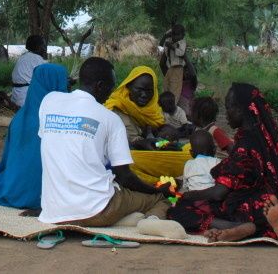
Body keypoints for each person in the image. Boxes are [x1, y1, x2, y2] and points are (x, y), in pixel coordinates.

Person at [36, 57, 187, 239]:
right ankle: (151, 221)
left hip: (53, 211)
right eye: (111, 86)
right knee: (160, 197)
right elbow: (124, 176)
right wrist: (155, 189)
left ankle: (125, 219)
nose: (112, 92)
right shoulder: (110, 118)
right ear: (99, 86)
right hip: (97, 209)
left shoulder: (49, 101)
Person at [166, 83, 278, 247]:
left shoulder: (243, 147)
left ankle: (235, 228)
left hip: (246, 209)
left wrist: (187, 195)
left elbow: (219, 193)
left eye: (229, 108)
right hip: (275, 203)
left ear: (241, 110)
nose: (226, 114)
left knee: (177, 211)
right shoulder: (269, 141)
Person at [0, 63, 68, 209]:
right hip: (52, 195)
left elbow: (9, 158)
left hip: (14, 189)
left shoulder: (20, 118)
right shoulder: (64, 119)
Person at [10, 35, 48, 109]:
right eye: (43, 45)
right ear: (37, 46)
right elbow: (48, 78)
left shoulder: (23, 57)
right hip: (26, 99)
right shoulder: (36, 58)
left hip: (17, 96)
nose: (44, 48)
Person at [159, 23, 187, 98]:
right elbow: (161, 45)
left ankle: (173, 103)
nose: (175, 37)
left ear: (183, 35)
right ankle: (165, 102)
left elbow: (181, 53)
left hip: (178, 68)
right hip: (170, 68)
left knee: (175, 88)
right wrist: (166, 36)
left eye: (178, 35)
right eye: (174, 35)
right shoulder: (171, 41)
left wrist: (172, 47)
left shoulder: (182, 43)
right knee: (166, 85)